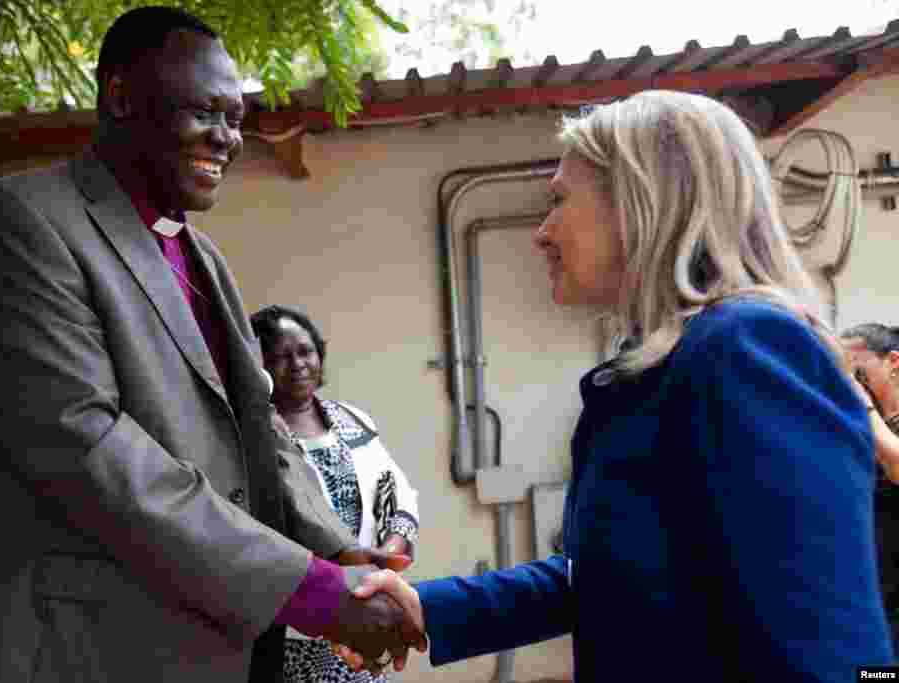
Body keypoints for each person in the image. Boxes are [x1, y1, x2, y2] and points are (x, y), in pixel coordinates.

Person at [0, 7, 423, 683]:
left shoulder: (203, 257)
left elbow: (261, 434)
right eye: (206, 111)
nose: (227, 138)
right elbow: (86, 446)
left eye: (237, 119)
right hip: (75, 652)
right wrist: (312, 591)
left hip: (211, 647)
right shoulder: (17, 223)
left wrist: (345, 560)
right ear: (122, 96)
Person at [343, 90, 895, 680]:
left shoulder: (746, 348)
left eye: (558, 200)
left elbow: (828, 643)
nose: (542, 231)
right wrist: (430, 608)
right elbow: (615, 572)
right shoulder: (663, 364)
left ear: (640, 201)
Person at [250, 305, 420, 683]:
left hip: (367, 599)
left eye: (305, 351)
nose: (297, 364)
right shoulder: (254, 434)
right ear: (256, 366)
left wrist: (390, 553)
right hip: (300, 615)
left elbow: (399, 493)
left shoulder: (353, 419)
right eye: (278, 356)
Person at [842, 323, 899, 649]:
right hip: (873, 592)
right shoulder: (863, 426)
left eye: (859, 372)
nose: (853, 383)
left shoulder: (869, 419)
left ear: (893, 361)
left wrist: (860, 403)